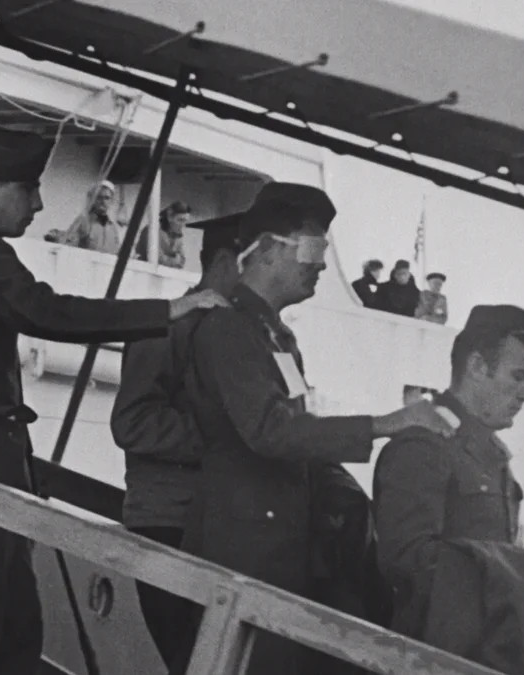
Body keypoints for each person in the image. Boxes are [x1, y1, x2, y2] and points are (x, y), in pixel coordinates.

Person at [0, 120, 228, 675]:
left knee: (7, 616)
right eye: (28, 188)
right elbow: (48, 312)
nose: (39, 204)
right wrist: (167, 310)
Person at [175, 184, 455, 675]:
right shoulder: (230, 328)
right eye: (311, 248)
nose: (322, 264)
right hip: (243, 554)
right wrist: (386, 424)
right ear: (265, 249)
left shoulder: (274, 335)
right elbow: (270, 431)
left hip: (277, 555)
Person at [373, 305, 524, 675]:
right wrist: (520, 578)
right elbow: (406, 563)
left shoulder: (492, 456)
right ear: (478, 367)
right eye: (518, 376)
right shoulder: (424, 446)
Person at [110, 211, 241, 669]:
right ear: (225, 263)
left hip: (213, 524)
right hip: (168, 523)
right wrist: (226, 440)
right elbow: (132, 423)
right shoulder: (168, 329)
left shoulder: (238, 334)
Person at [45, 180, 127, 254]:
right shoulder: (83, 221)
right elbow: (68, 243)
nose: (103, 201)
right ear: (93, 199)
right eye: (99, 197)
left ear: (111, 201)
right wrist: (56, 237)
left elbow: (116, 252)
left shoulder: (113, 228)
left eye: (106, 198)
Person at [136, 200, 190, 267]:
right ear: (169, 217)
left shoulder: (178, 237)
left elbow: (182, 261)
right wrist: (174, 260)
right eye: (180, 220)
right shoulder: (152, 230)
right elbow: (157, 259)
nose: (183, 225)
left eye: (185, 221)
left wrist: (169, 260)